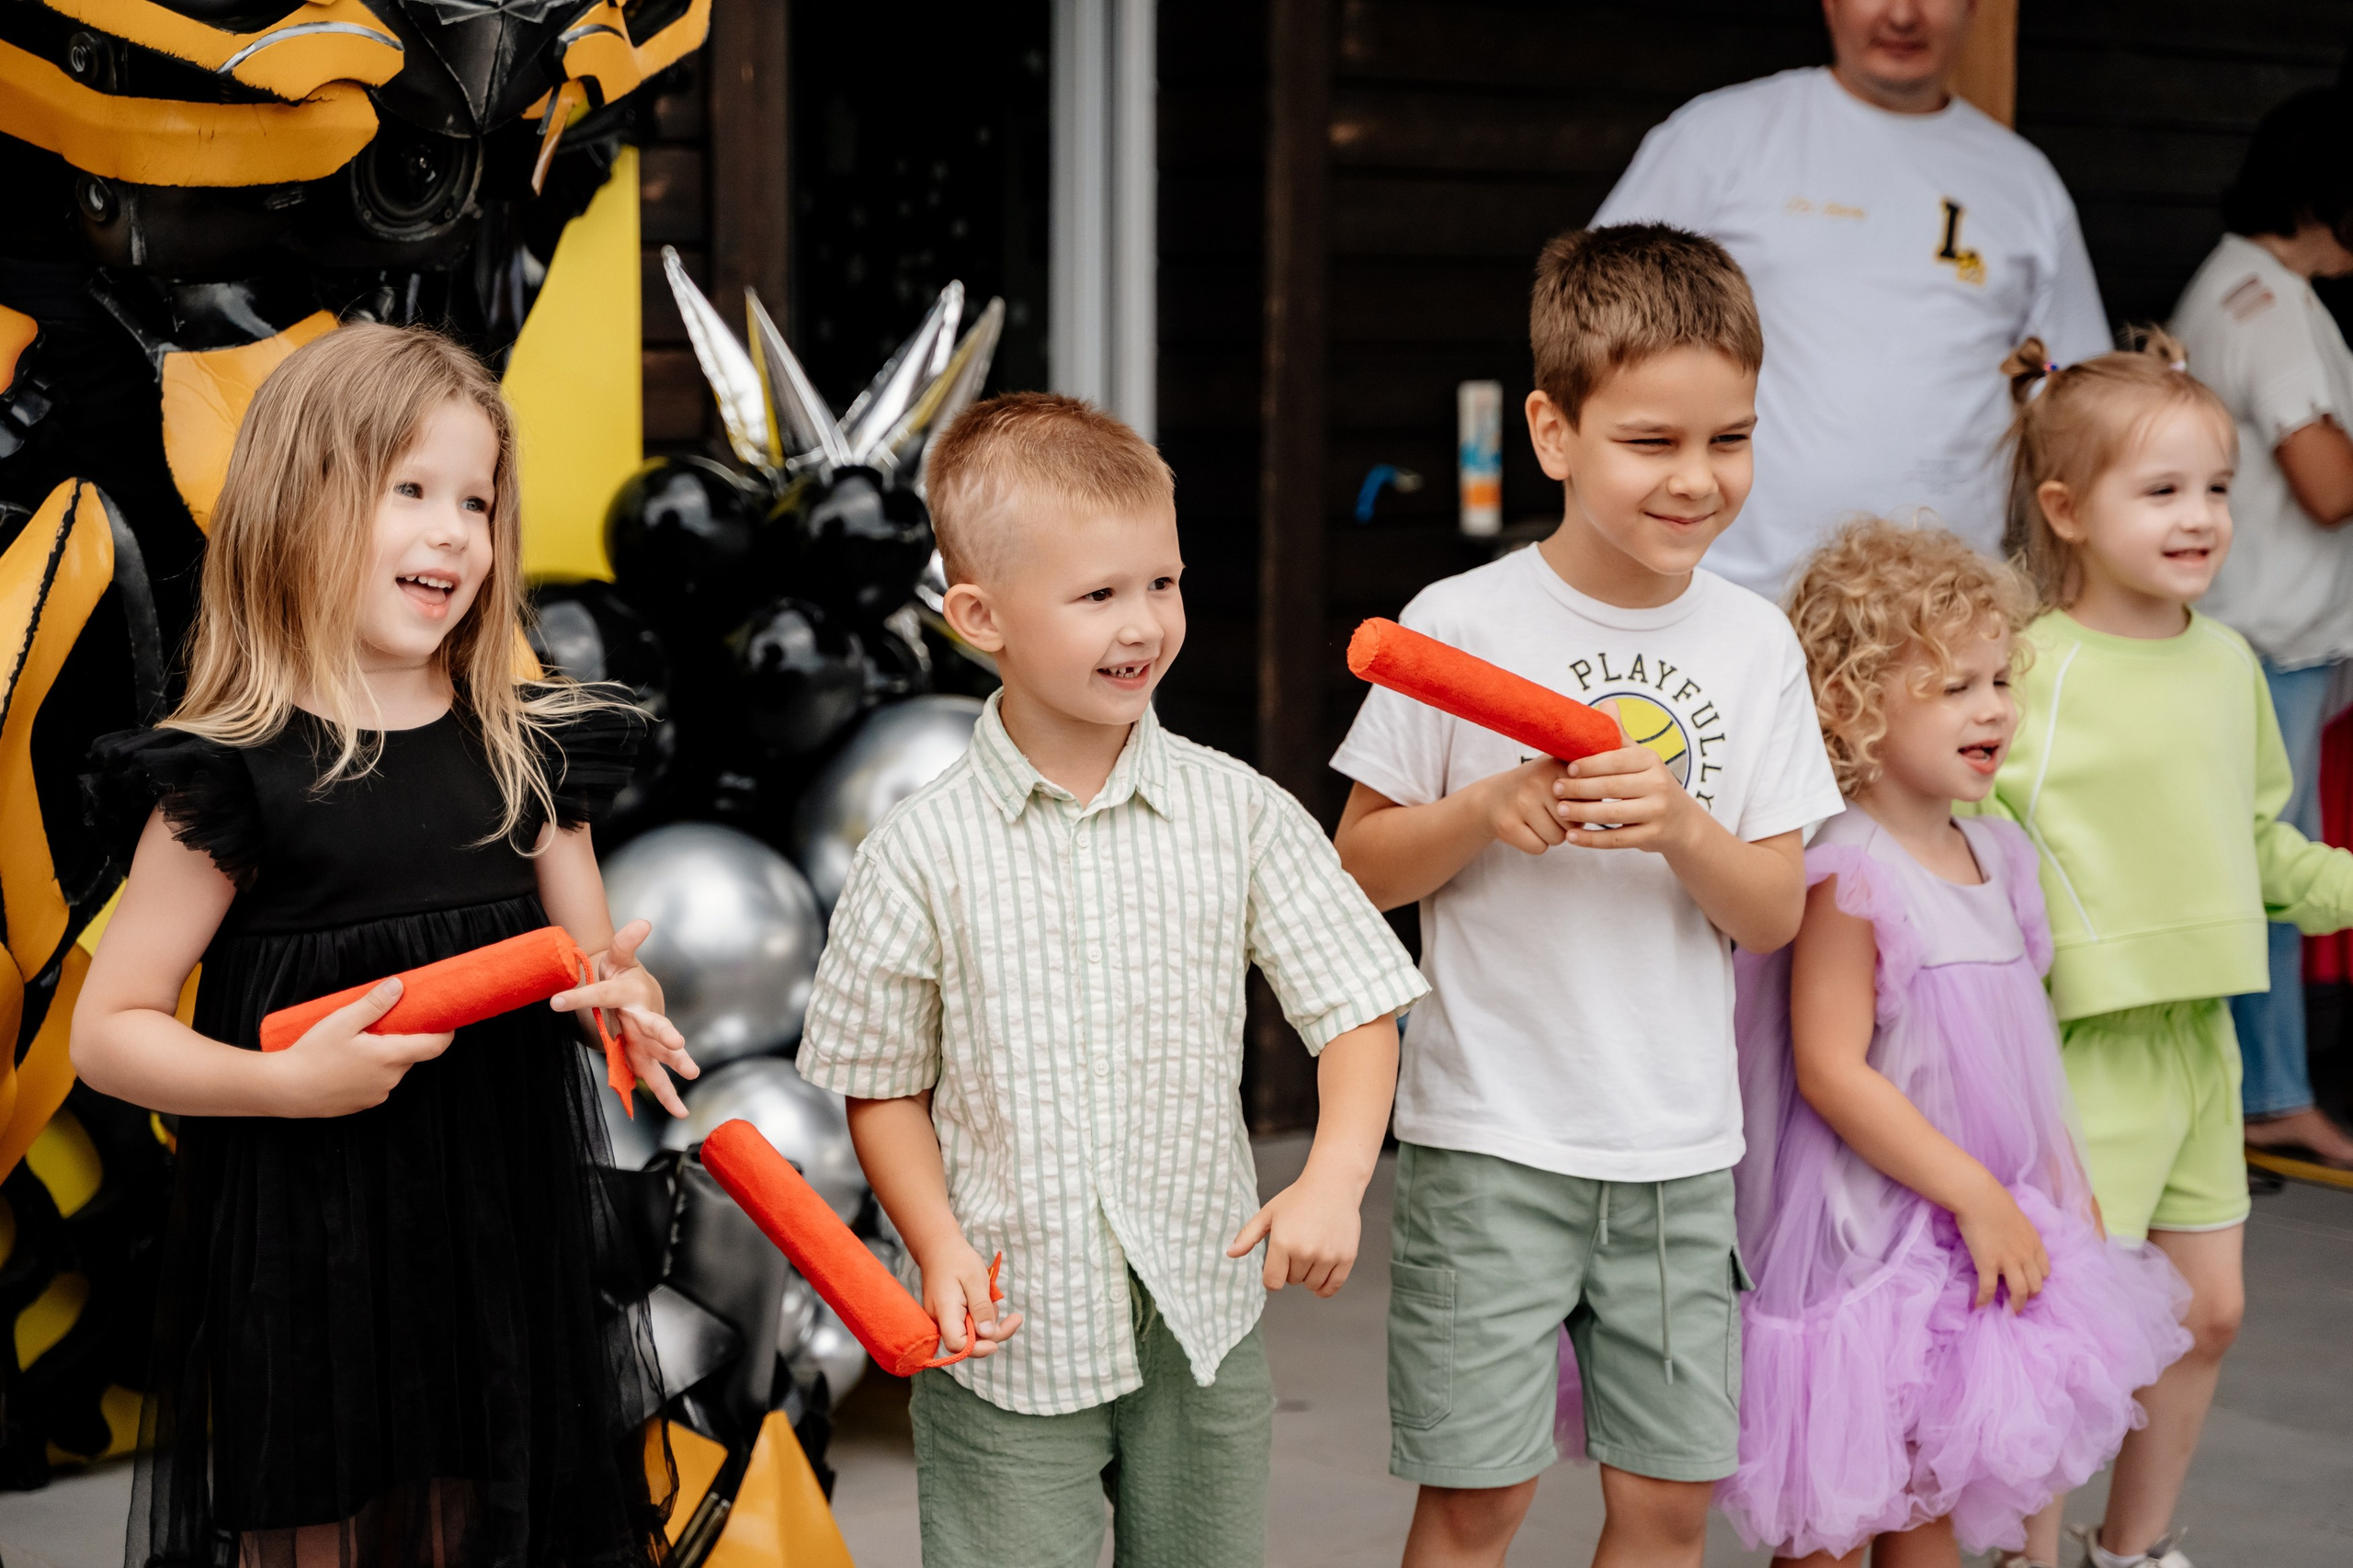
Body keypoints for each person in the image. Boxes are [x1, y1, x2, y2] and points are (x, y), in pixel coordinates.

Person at [70, 324, 699, 1568]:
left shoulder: (526, 752)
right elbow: (109, 1032)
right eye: (410, 489)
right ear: (297, 508)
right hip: (313, 1242)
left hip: (496, 1231)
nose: (453, 531)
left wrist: (624, 999)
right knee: (325, 1530)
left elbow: (589, 966)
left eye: (476, 501)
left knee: (481, 1513)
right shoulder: (233, 778)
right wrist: (283, 1083)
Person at [795, 392, 1427, 1568]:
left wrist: (1335, 1177)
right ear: (979, 615)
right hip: (1006, 1325)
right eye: (1097, 595)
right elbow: (881, 1085)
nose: (1142, 622)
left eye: (1162, 582)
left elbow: (1356, 1003)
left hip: (1201, 1312)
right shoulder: (920, 849)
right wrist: (934, 1242)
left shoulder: (1236, 811)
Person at [1330, 225, 1844, 1568]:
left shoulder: (1753, 642)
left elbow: (1774, 910)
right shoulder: (1459, 623)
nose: (1697, 477)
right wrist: (1482, 811)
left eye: (1729, 439)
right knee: (1479, 1499)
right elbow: (1357, 867)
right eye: (1651, 441)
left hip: (1679, 1146)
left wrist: (1682, 827)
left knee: (1669, 1504)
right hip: (1491, 1135)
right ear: (1552, 433)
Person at [1722, 519, 2190, 1568]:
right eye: (1953, 687)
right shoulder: (1851, 868)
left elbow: (2021, 1048)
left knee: (1933, 1490)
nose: (1993, 708)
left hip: (1970, 1233)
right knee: (1840, 1507)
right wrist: (1974, 1193)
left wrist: (2061, 1186)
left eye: (2000, 680)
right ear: (1851, 705)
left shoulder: (1999, 851)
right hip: (1866, 1237)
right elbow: (1828, 1067)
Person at [1978, 330, 2353, 1568]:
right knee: (2061, 1333)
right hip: (2076, 1053)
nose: (2200, 516)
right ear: (2065, 510)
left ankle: (2131, 1550)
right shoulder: (2030, 666)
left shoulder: (2230, 662)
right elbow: (1970, 848)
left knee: (2210, 1314)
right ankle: (2025, 1557)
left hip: (2201, 1038)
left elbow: (2259, 845)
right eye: (2162, 489)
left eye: (2217, 487)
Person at [1592, 0, 2109, 597]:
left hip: (1948, 607)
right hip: (1732, 592)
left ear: (1972, 8)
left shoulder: (2024, 183)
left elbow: (2073, 387)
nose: (1902, 16)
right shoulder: (1718, 138)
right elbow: (1592, 325)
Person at [2168, 87, 2353, 1168]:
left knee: (2253, 860)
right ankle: (2270, 1092)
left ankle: (2255, 1085)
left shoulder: (2237, 281)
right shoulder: (2270, 303)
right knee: (2267, 870)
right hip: (2267, 642)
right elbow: (2325, 483)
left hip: (2261, 634)